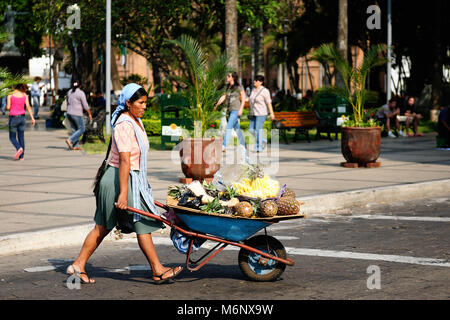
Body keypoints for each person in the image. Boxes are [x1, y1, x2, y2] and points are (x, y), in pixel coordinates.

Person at [66, 83, 183, 285]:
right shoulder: (124, 124)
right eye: (140, 102)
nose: (144, 106)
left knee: (121, 225)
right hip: (118, 180)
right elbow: (125, 161)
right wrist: (123, 193)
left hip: (130, 178)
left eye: (146, 102)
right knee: (117, 225)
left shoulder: (135, 121)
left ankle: (78, 264)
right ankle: (157, 269)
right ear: (128, 103)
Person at [215, 72, 246, 152]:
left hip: (236, 109)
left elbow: (243, 99)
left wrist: (241, 109)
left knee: (228, 127)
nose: (227, 77)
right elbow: (224, 97)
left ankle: (224, 145)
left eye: (229, 76)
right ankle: (244, 145)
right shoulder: (228, 87)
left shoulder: (239, 87)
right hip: (229, 110)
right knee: (237, 128)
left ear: (233, 78)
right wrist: (217, 105)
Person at [5, 84, 35, 160]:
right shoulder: (25, 95)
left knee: (12, 137)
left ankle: (18, 148)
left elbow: (8, 107)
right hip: (22, 118)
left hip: (13, 118)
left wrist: (5, 108)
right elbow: (28, 106)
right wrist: (32, 118)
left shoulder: (10, 95)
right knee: (21, 137)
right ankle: (21, 157)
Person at [248, 75, 275, 152]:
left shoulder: (265, 91)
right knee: (251, 129)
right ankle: (263, 140)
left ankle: (258, 147)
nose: (254, 82)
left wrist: (271, 113)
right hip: (253, 113)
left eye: (256, 81)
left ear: (261, 82)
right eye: (254, 80)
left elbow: (269, 103)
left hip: (261, 113)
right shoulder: (253, 90)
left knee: (258, 130)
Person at [65, 81, 92, 150]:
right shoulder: (81, 93)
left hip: (69, 113)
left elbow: (67, 102)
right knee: (82, 129)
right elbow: (85, 105)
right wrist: (89, 113)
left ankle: (75, 146)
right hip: (77, 114)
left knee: (74, 129)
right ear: (80, 86)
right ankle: (70, 140)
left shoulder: (69, 92)